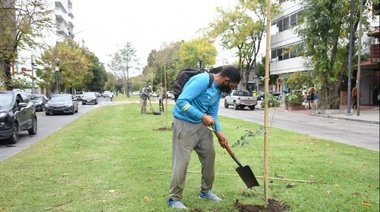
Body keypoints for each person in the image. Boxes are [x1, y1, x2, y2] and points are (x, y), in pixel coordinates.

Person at [168, 66, 241, 209]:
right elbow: (181, 102)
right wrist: (201, 116)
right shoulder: (202, 81)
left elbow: (213, 113)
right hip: (184, 124)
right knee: (182, 162)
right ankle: (174, 198)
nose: (230, 90)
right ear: (226, 80)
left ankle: (206, 191)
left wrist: (219, 132)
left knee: (209, 157)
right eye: (231, 86)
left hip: (202, 126)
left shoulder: (219, 89)